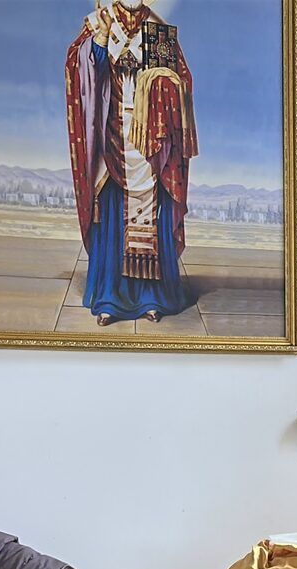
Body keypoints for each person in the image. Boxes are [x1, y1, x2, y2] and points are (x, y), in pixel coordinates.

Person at [65, 0, 198, 326]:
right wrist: (99, 41)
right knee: (111, 211)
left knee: (152, 215)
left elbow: (181, 80)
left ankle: (152, 296)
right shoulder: (99, 21)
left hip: (150, 143)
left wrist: (161, 83)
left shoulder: (158, 29)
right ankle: (109, 297)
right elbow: (80, 71)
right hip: (110, 138)